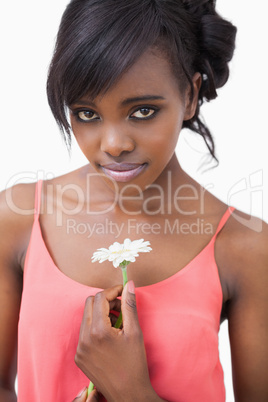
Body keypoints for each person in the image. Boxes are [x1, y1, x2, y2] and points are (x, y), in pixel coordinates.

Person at [0, 0, 267, 401]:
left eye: (143, 111)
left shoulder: (246, 247)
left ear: (191, 95)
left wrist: (133, 392)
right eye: (87, 114)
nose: (113, 145)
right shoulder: (18, 218)